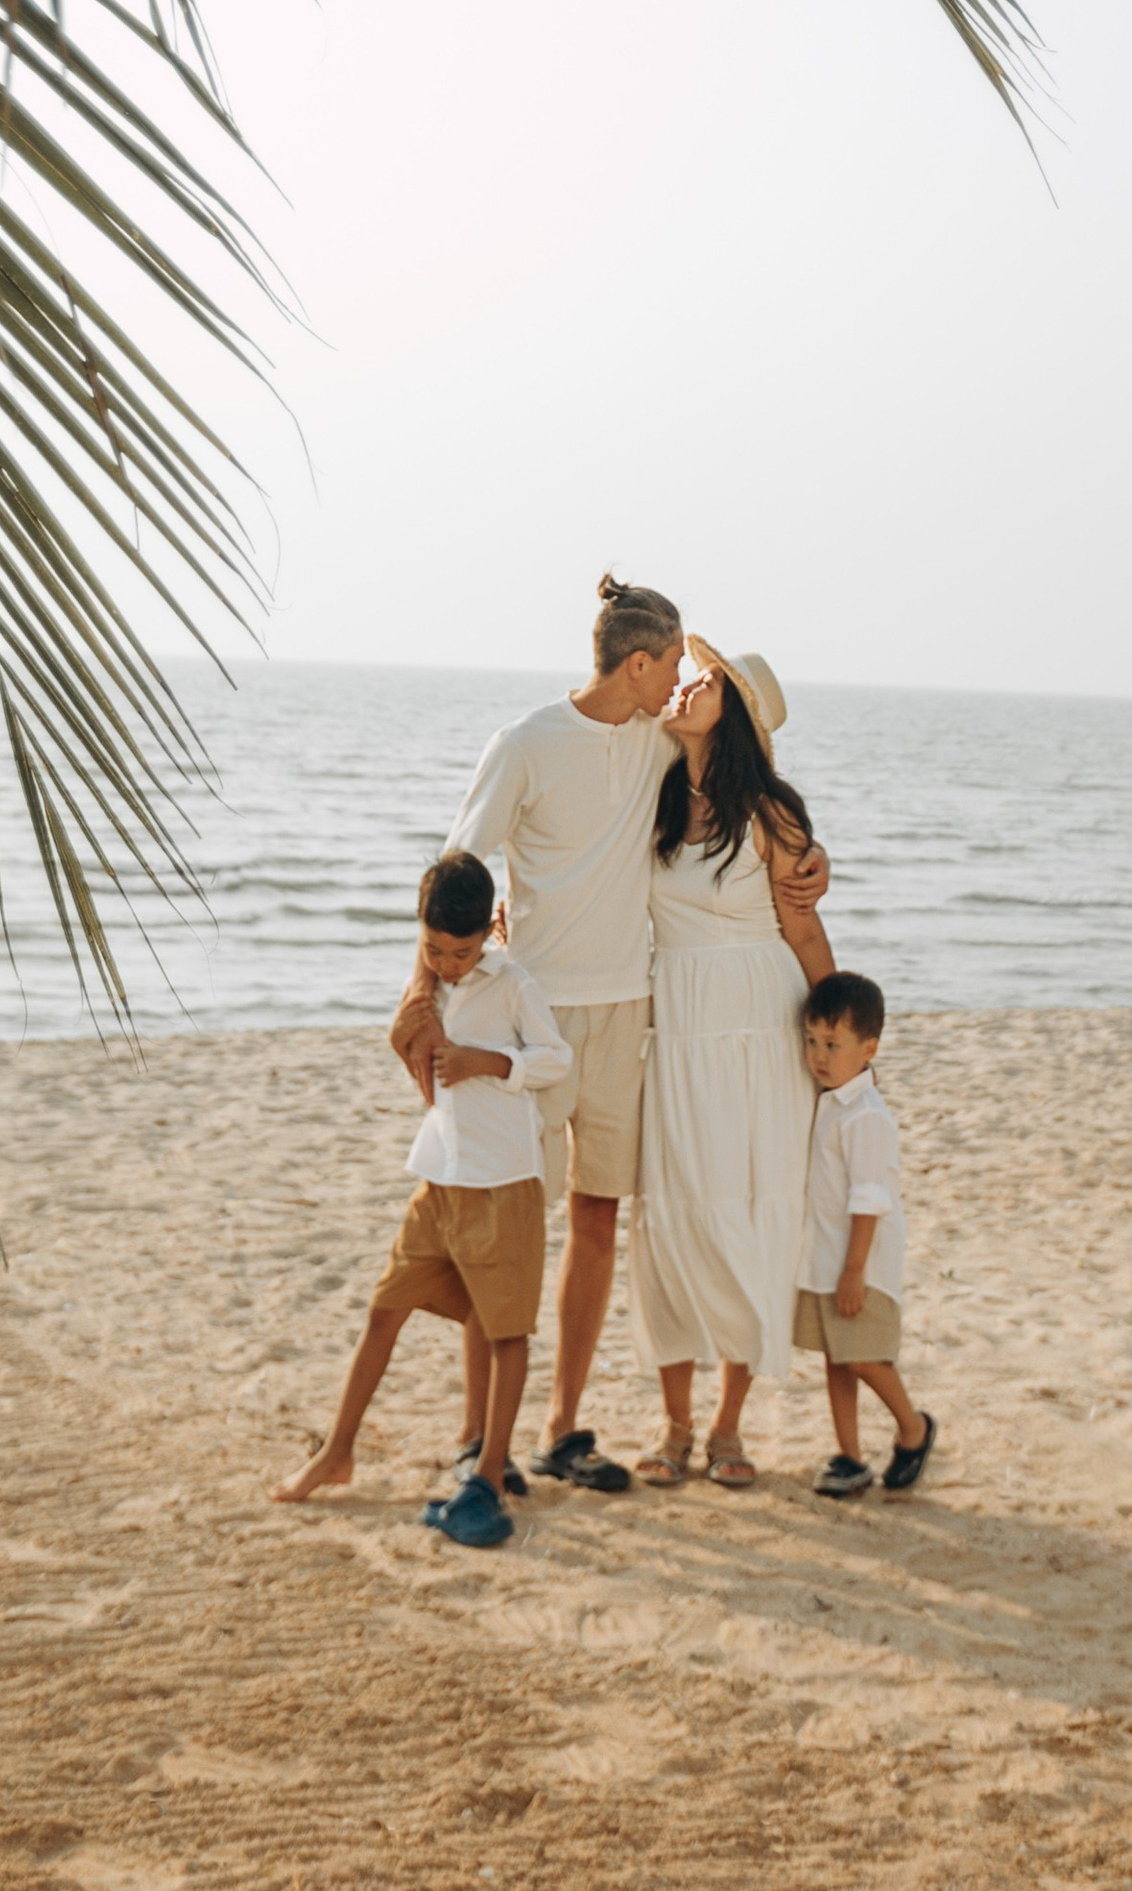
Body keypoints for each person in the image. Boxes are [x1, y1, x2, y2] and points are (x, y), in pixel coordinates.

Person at [392, 573, 827, 1493]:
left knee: (598, 1221)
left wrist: (813, 863)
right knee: (511, 1222)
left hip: (632, 1012)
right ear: (638, 663)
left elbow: (750, 796)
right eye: (672, 665)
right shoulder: (524, 745)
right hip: (536, 1016)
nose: (680, 684)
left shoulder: (660, 749)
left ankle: (561, 1428)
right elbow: (456, 873)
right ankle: (480, 1435)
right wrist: (419, 993)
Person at [276, 850, 567, 1548]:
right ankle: (336, 1450)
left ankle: (492, 1470)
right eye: (434, 949)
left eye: (461, 953)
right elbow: (413, 1050)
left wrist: (489, 1063)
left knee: (505, 1334)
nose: (447, 964)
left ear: (487, 937)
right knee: (384, 1310)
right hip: (439, 1179)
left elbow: (557, 1059)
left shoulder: (512, 984)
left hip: (502, 1185)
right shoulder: (427, 985)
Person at [629, 639, 834, 1491]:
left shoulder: (773, 815)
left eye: (706, 683)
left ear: (738, 714)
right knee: (671, 1211)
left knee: (751, 1209)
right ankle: (674, 1424)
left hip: (759, 1021)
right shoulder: (653, 787)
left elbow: (805, 931)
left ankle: (726, 1427)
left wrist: (846, 1056)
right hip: (675, 1020)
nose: (686, 686)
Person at [797, 968, 934, 1497]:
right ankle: (849, 1454)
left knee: (862, 1355)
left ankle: (914, 1427)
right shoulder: (829, 1101)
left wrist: (854, 1270)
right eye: (812, 1041)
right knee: (838, 1355)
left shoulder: (865, 1115)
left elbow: (869, 1198)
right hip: (828, 1257)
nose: (819, 1056)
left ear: (869, 1048)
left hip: (862, 1262)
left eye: (833, 1044)